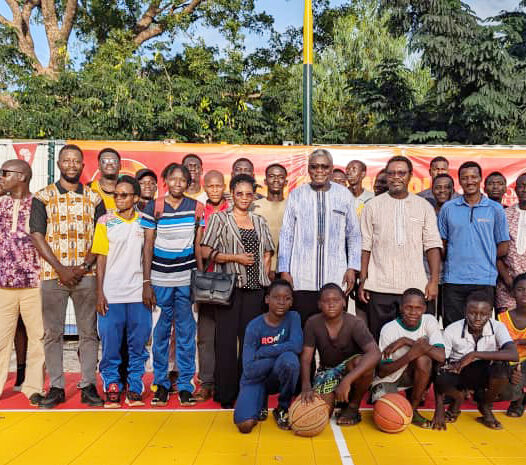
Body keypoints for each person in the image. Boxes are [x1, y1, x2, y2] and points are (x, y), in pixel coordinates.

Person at [30, 144, 105, 408]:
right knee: (53, 333)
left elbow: (101, 236)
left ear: (83, 166)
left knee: (88, 333)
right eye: (66, 160)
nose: (71, 165)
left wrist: (84, 265)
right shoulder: (43, 196)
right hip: (54, 274)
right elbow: (37, 234)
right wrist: (61, 268)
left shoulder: (95, 199)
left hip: (87, 274)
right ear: (59, 164)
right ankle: (57, 386)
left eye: (76, 161)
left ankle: (88, 385)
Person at [201, 174, 274, 408]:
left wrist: (264, 273)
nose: (244, 198)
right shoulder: (220, 219)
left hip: (255, 290)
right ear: (231, 194)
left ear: (253, 196)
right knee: (225, 342)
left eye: (248, 194)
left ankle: (248, 390)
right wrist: (235, 258)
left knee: (251, 343)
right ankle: (226, 393)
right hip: (228, 289)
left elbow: (268, 251)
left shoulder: (260, 220)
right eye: (239, 193)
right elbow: (205, 252)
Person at [141, 163, 204, 407]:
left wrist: (198, 281)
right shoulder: (153, 207)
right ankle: (161, 383)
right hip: (160, 279)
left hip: (186, 280)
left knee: (187, 334)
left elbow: (198, 246)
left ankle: (186, 384)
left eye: (183, 180)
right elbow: (147, 246)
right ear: (166, 180)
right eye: (173, 179)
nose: (178, 183)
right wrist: (147, 281)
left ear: (188, 183)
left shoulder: (196, 208)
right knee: (161, 334)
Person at [359, 156, 442, 341]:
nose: (396, 177)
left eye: (401, 173)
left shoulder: (423, 206)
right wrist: (363, 279)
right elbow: (365, 245)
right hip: (380, 286)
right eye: (392, 173)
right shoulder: (372, 206)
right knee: (381, 340)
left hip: (415, 287)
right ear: (386, 176)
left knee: (418, 342)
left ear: (410, 176)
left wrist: (434, 281)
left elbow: (432, 245)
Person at [278, 149, 361, 327]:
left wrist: (352, 267)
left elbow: (353, 234)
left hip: (335, 276)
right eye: (314, 167)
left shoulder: (344, 195)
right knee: (303, 330)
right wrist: (284, 269)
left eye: (324, 167)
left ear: (331, 170)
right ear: (309, 169)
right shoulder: (296, 195)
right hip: (301, 278)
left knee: (335, 335)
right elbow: (286, 234)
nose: (319, 171)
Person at [92, 176, 152, 408]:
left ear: (136, 198)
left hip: (138, 294)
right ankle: (112, 385)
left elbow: (148, 253)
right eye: (116, 194)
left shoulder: (146, 221)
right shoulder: (105, 221)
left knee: (138, 345)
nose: (119, 198)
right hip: (112, 294)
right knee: (110, 345)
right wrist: (100, 292)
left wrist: (147, 284)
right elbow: (101, 258)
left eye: (124, 195)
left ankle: (135, 386)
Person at [432, 291, 519, 430]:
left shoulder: (497, 327)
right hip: (459, 372)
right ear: (465, 311)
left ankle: (484, 405)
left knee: (502, 374)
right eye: (472, 313)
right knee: (442, 379)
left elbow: (513, 354)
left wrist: (474, 355)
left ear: (490, 313)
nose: (478, 318)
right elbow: (438, 368)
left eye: (483, 314)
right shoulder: (452, 330)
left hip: (484, 372)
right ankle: (458, 399)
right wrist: (439, 408)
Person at [438, 161, 510, 327]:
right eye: (465, 178)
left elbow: (504, 245)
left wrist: (482, 256)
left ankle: (479, 355)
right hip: (453, 279)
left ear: (480, 179)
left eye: (473, 177)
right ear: (459, 181)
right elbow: (442, 243)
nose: (469, 181)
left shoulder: (495, 209)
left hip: (484, 280)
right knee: (453, 328)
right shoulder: (448, 208)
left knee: (480, 328)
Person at [300, 283, 380, 425]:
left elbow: (375, 353)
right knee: (321, 416)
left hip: (350, 371)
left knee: (362, 362)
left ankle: (353, 407)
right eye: (326, 301)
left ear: (344, 302)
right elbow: (306, 358)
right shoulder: (312, 323)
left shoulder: (355, 323)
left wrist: (347, 380)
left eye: (336, 300)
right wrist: (306, 385)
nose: (331, 304)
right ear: (319, 304)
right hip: (327, 371)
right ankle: (340, 401)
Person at [0, 159, 45, 406]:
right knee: (0, 340)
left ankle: (33, 387)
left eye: (5, 173)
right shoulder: (2, 203)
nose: (1, 177)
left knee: (38, 338)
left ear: (22, 176)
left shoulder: (38, 204)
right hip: (3, 284)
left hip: (33, 283)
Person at [234, 280, 302, 433]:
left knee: (290, 362)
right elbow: (249, 369)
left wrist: (264, 352)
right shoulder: (254, 326)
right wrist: (280, 353)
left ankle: (282, 408)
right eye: (276, 297)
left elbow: (297, 346)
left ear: (292, 302)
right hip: (255, 378)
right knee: (245, 426)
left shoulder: (293, 317)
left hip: (276, 374)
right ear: (267, 299)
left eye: (287, 298)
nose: (281, 302)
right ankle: (260, 401)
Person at [371, 288, 445, 428]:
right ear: (401, 308)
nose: (413, 312)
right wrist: (411, 354)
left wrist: (407, 341)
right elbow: (381, 371)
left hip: (412, 375)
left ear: (424, 308)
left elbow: (441, 357)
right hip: (390, 377)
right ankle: (394, 398)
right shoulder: (389, 329)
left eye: (418, 308)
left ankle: (413, 408)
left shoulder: (429, 321)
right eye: (408, 307)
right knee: (387, 413)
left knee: (424, 359)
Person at [194, 170, 230, 403]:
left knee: (227, 335)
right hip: (207, 280)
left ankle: (225, 381)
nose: (215, 190)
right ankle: (206, 382)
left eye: (219, 186)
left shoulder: (233, 209)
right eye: (211, 186)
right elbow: (198, 244)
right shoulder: (200, 211)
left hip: (230, 278)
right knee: (205, 335)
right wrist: (201, 272)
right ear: (205, 187)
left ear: (224, 186)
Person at [497, 273, 526, 418]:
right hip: (507, 362)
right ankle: (517, 398)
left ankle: (518, 404)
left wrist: (520, 342)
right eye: (520, 289)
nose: (525, 293)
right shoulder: (502, 317)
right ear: (513, 292)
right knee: (503, 391)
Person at [497, 173, 526, 313]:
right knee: (507, 331)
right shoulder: (504, 214)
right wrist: (508, 280)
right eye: (522, 186)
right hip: (507, 286)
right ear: (515, 189)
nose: (525, 190)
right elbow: (495, 252)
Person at [253, 164, 288, 280]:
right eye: (272, 176)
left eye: (280, 176)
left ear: (286, 182)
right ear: (265, 181)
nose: (276, 180)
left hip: (286, 270)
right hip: (259, 268)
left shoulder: (293, 205)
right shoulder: (254, 207)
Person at [88, 148, 121, 212]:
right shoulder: (88, 189)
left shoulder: (129, 190)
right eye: (104, 161)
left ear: (120, 166)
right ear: (99, 166)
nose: (109, 164)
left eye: (114, 161)